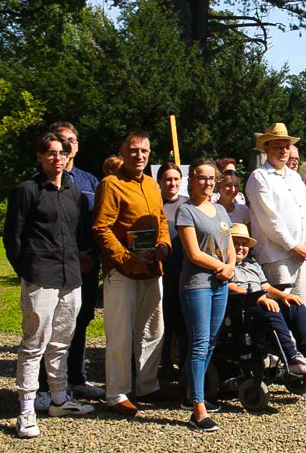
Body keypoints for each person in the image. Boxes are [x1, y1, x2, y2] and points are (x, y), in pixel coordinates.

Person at [4, 133, 96, 438]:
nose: (59, 158)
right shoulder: (27, 190)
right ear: (41, 157)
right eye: (52, 153)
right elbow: (13, 239)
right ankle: (26, 410)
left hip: (71, 276)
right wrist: (28, 270)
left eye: (63, 153)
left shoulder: (72, 192)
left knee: (61, 341)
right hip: (40, 276)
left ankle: (59, 398)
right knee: (34, 344)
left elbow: (74, 232)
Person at [92, 131, 171, 416]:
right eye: (134, 150)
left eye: (145, 151)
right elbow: (101, 228)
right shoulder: (111, 185)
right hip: (122, 271)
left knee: (153, 330)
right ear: (123, 152)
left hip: (152, 269)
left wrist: (165, 243)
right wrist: (128, 259)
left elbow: (161, 220)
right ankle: (117, 393)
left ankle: (148, 385)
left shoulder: (151, 184)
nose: (140, 155)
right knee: (120, 334)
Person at [39, 122, 105, 404]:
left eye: (73, 141)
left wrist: (92, 255)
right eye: (62, 141)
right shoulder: (39, 182)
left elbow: (99, 222)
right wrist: (73, 256)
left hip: (88, 265)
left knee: (80, 321)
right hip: (55, 266)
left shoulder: (89, 182)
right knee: (51, 325)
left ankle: (76, 379)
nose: (68, 146)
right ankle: (45, 386)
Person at [229, 223, 306, 376]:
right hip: (242, 306)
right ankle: (292, 358)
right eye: (236, 244)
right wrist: (259, 298)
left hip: (262, 300)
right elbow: (230, 288)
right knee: (271, 310)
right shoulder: (225, 266)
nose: (240, 248)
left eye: (244, 244)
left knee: (296, 304)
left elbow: (266, 286)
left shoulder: (252, 265)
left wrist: (284, 295)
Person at [176, 158, 235, 431]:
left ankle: (191, 393)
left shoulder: (220, 209)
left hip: (221, 283)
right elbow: (193, 253)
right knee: (199, 343)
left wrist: (231, 267)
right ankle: (198, 409)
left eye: (211, 178)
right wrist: (222, 267)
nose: (207, 182)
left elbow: (230, 242)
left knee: (210, 342)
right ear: (191, 179)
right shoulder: (186, 212)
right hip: (197, 284)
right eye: (202, 177)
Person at [246, 123, 306, 307]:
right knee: (282, 309)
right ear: (266, 148)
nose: (283, 151)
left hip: (303, 255)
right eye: (277, 146)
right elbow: (269, 220)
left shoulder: (295, 177)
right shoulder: (259, 177)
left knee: (302, 308)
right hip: (277, 256)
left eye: (286, 146)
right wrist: (293, 245)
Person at [157, 162, 187, 381]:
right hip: (161, 272)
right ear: (159, 181)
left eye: (176, 179)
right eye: (168, 179)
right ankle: (163, 364)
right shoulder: (153, 204)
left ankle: (184, 363)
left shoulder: (188, 205)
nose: (172, 183)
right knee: (162, 320)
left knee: (184, 320)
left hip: (185, 269)